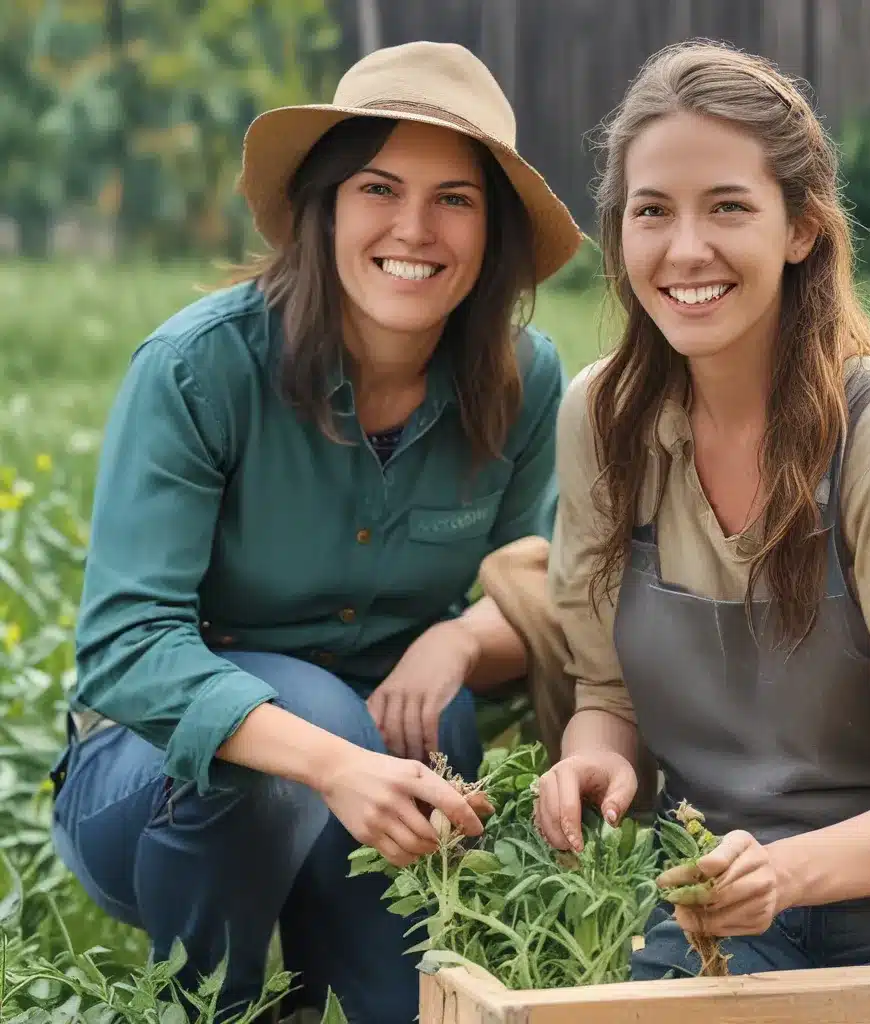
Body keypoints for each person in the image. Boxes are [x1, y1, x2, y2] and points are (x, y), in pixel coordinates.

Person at [48, 40, 583, 1024]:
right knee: (297, 718)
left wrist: (461, 635)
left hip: (387, 768)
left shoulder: (524, 381)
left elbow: (544, 592)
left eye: (454, 198)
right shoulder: (197, 368)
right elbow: (125, 648)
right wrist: (331, 758)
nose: (415, 228)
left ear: (492, 229)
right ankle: (219, 1005)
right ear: (325, 204)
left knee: (435, 722)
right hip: (156, 792)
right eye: (379, 187)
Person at [532, 40, 870, 1023]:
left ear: (800, 227)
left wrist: (789, 872)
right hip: (722, 917)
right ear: (617, 234)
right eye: (651, 211)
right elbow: (607, 690)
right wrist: (597, 756)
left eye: (727, 207)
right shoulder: (605, 420)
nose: (684, 251)